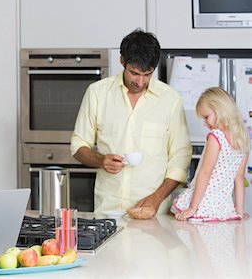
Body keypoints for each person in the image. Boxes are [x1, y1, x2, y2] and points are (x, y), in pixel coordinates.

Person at [71, 28, 192, 216]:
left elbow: (180, 158)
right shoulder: (97, 93)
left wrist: (157, 198)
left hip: (153, 213)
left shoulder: (170, 99)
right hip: (108, 211)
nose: (141, 82)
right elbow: (78, 146)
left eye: (148, 74)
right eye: (134, 73)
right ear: (122, 61)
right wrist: (101, 160)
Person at [171, 87, 250, 221]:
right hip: (223, 208)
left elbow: (205, 173)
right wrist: (239, 212)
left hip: (202, 204)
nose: (205, 123)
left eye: (206, 117)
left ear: (219, 110)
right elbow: (239, 178)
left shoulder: (216, 136)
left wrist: (192, 207)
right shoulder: (243, 140)